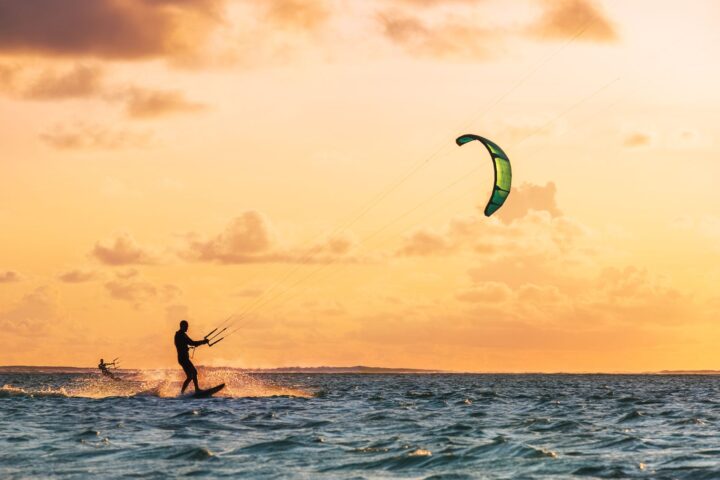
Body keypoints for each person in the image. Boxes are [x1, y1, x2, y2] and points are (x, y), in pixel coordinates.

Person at [174, 320, 209, 394]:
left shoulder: (181, 334)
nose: (187, 328)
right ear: (182, 326)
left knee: (190, 376)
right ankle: (196, 390)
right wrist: (203, 342)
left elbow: (190, 343)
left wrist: (188, 346)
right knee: (194, 372)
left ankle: (182, 393)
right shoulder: (180, 335)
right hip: (183, 358)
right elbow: (192, 343)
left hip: (182, 358)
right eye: (186, 327)